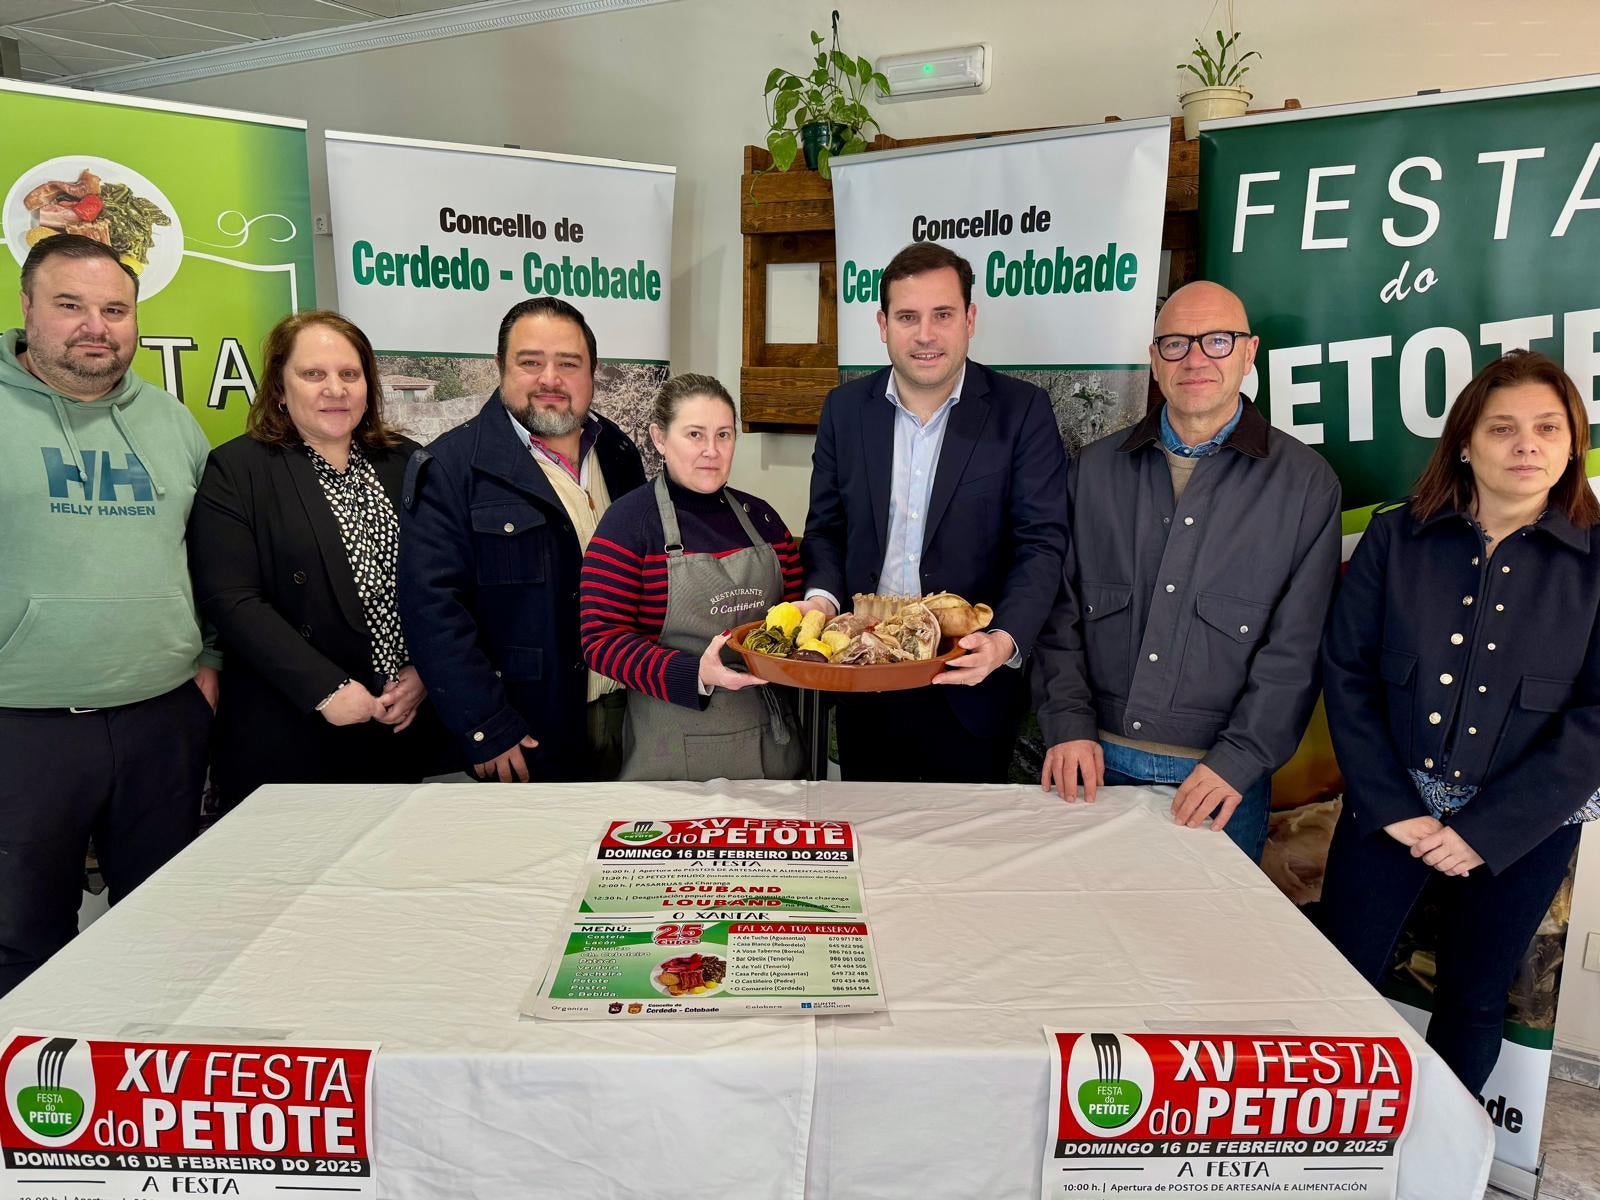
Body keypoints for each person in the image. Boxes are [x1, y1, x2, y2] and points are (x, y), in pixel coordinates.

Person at [1315, 350, 1600, 1094]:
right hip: (1390, 811)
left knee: (1474, 1002)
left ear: (1573, 443)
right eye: (1502, 428)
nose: (1526, 444)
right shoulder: (1395, 538)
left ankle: (1443, 1160)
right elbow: (1346, 674)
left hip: (1523, 830)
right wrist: (1396, 811)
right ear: (1465, 444)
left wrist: (1485, 832)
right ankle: (1336, 1152)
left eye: (1547, 427)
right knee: (1336, 984)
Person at [1033, 281, 1341, 862]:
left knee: (1206, 949)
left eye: (1217, 341)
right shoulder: (1095, 470)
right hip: (1089, 766)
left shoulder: (1305, 485)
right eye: (1175, 344)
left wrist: (1239, 761)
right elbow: (1058, 609)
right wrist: (1068, 721)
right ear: (1154, 360)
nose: (1195, 358)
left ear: (1250, 353)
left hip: (1219, 783)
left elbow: (1297, 649)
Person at [0, 233, 217, 997]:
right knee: (21, 942)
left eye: (115, 309)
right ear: (27, 309)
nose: (96, 325)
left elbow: (212, 563)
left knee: (162, 932)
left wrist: (210, 667)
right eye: (71, 305)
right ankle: (30, 1110)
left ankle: (138, 1099)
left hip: (161, 720)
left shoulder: (172, 423)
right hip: (20, 731)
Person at [799, 242, 1069, 783]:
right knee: (868, 853)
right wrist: (821, 603)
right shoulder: (845, 411)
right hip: (862, 683)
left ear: (969, 319)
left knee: (965, 864)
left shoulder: (1022, 412)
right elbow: (826, 530)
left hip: (969, 686)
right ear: (882, 324)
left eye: (943, 314)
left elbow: (1042, 544)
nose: (926, 334)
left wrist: (1006, 640)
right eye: (908, 317)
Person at [188, 311, 447, 808]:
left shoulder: (407, 461)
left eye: (349, 375)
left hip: (400, 723)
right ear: (280, 390)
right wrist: (325, 689)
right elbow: (232, 599)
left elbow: (446, 582)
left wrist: (423, 673)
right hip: (291, 728)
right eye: (314, 375)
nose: (336, 389)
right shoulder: (237, 469)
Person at [399, 297, 646, 782]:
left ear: (592, 371)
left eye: (568, 363)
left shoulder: (618, 453)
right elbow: (433, 610)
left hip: (631, 711)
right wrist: (484, 724)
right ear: (500, 367)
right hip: (525, 730)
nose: (550, 379)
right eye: (530, 362)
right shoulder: (451, 468)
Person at [580, 374, 804, 780]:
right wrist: (696, 673)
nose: (711, 451)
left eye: (723, 435)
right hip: (671, 752)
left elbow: (800, 617)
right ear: (660, 439)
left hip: (772, 746)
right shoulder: (629, 524)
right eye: (695, 435)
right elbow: (601, 641)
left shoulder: (764, 521)